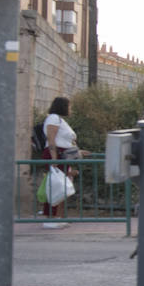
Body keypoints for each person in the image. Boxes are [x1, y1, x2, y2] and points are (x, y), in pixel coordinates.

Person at [41, 96, 84, 229]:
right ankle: (51, 218)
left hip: (63, 155)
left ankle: (58, 217)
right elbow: (52, 139)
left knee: (63, 186)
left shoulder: (60, 120)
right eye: (69, 106)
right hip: (56, 155)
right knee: (57, 186)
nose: (70, 109)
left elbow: (63, 140)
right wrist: (54, 158)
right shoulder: (53, 118)